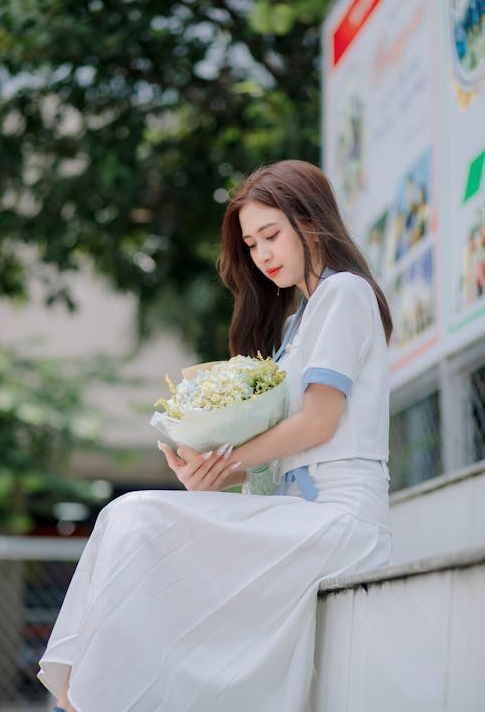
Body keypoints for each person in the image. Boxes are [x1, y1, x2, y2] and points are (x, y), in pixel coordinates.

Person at [38, 159, 393, 712]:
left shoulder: (345, 294)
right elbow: (278, 453)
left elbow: (319, 424)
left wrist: (229, 463)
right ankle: (83, 698)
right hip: (295, 517)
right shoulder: (296, 325)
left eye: (271, 235)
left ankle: (86, 700)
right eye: (252, 245)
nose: (263, 255)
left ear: (312, 220)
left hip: (341, 520)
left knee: (135, 518)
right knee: (125, 520)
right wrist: (211, 471)